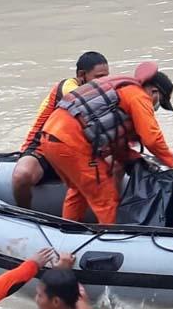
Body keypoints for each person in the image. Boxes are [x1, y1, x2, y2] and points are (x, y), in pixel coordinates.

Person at [38, 61, 173, 224]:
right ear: (154, 91)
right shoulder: (139, 96)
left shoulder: (122, 89)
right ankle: (108, 235)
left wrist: (132, 157)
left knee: (79, 190)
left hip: (50, 137)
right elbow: (152, 139)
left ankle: (69, 228)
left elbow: (116, 139)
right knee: (106, 197)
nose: (156, 106)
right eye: (160, 102)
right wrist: (172, 163)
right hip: (71, 142)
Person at [13, 52, 110, 209]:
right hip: (42, 148)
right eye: (99, 77)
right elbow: (83, 100)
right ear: (82, 75)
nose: (104, 82)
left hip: (74, 150)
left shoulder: (102, 94)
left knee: (113, 167)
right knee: (21, 176)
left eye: (106, 77)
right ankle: (24, 213)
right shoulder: (67, 87)